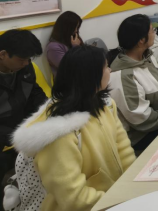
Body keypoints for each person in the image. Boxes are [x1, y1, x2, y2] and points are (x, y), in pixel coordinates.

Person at [10, 46, 135, 211]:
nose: (110, 70)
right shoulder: (57, 133)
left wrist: (132, 183)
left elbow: (123, 149)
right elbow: (73, 198)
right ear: (90, 76)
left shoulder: (105, 105)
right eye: (105, 67)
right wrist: (118, 200)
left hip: (114, 199)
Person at [107, 14, 158, 152]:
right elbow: (139, 116)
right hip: (141, 135)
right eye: (152, 30)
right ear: (141, 40)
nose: (155, 33)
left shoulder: (148, 57)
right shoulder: (123, 75)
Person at [0, 30, 46, 207]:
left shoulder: (24, 68)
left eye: (29, 59)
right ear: (3, 54)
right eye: (22, 59)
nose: (27, 63)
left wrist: (48, 110)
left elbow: (34, 92)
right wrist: (16, 135)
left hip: (21, 127)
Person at [45, 11, 83, 78]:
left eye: (77, 27)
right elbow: (69, 68)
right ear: (67, 28)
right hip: (67, 80)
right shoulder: (53, 47)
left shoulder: (72, 39)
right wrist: (76, 48)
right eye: (75, 27)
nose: (76, 30)